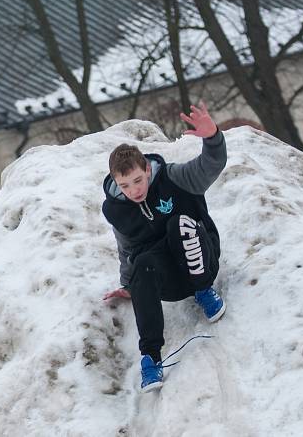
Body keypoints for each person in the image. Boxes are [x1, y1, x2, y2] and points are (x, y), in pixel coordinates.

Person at [101, 102, 227, 392]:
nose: (134, 190)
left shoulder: (174, 178)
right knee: (142, 261)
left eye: (137, 180)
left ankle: (204, 291)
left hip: (200, 257)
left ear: (147, 169)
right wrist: (129, 284)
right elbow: (125, 248)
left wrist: (213, 137)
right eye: (125, 185)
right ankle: (151, 359)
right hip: (169, 279)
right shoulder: (118, 209)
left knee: (177, 224)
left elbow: (211, 165)